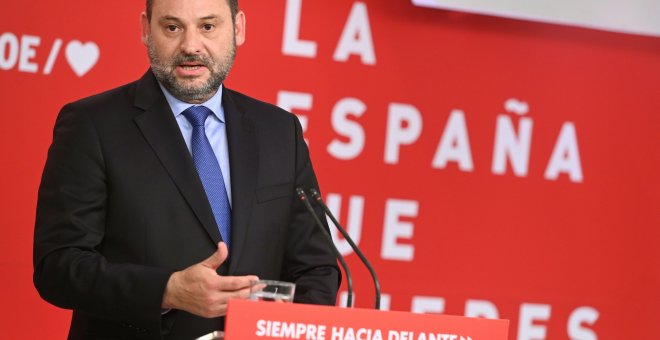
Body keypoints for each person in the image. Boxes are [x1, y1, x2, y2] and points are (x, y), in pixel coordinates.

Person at [33, 0, 340, 339]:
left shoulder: (280, 131)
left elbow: (316, 266)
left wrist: (288, 329)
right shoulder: (93, 125)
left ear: (238, 28)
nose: (191, 46)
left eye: (208, 26)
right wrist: (168, 290)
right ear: (146, 29)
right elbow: (59, 267)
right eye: (172, 27)